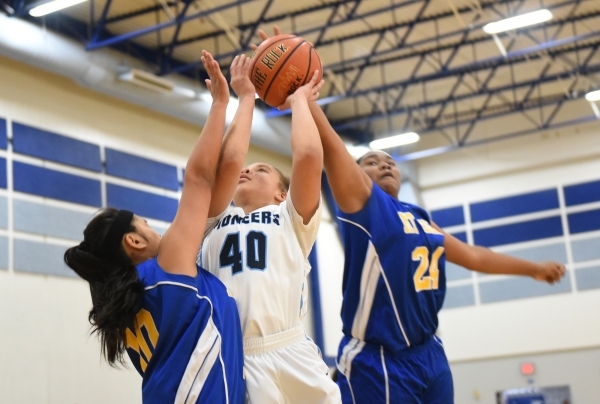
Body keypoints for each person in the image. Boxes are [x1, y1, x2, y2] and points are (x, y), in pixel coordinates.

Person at [307, 101, 566, 403]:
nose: (385, 164)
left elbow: (474, 256)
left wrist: (532, 269)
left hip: (429, 353)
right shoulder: (363, 207)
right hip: (379, 358)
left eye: (390, 161)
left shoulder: (420, 219)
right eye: (372, 162)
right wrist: (309, 102)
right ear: (356, 174)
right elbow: (332, 148)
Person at [63, 51, 245, 404]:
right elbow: (198, 178)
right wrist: (221, 103)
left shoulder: (131, 302)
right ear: (133, 240)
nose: (153, 226)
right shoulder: (167, 270)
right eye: (143, 222)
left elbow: (221, 176)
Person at [198, 50, 341, 402]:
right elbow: (230, 160)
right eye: (247, 168)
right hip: (236, 354)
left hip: (291, 347)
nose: (247, 170)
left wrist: (299, 101)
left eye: (261, 169)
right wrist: (246, 96)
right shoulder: (212, 219)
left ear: (282, 194)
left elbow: (308, 156)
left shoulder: (289, 219)